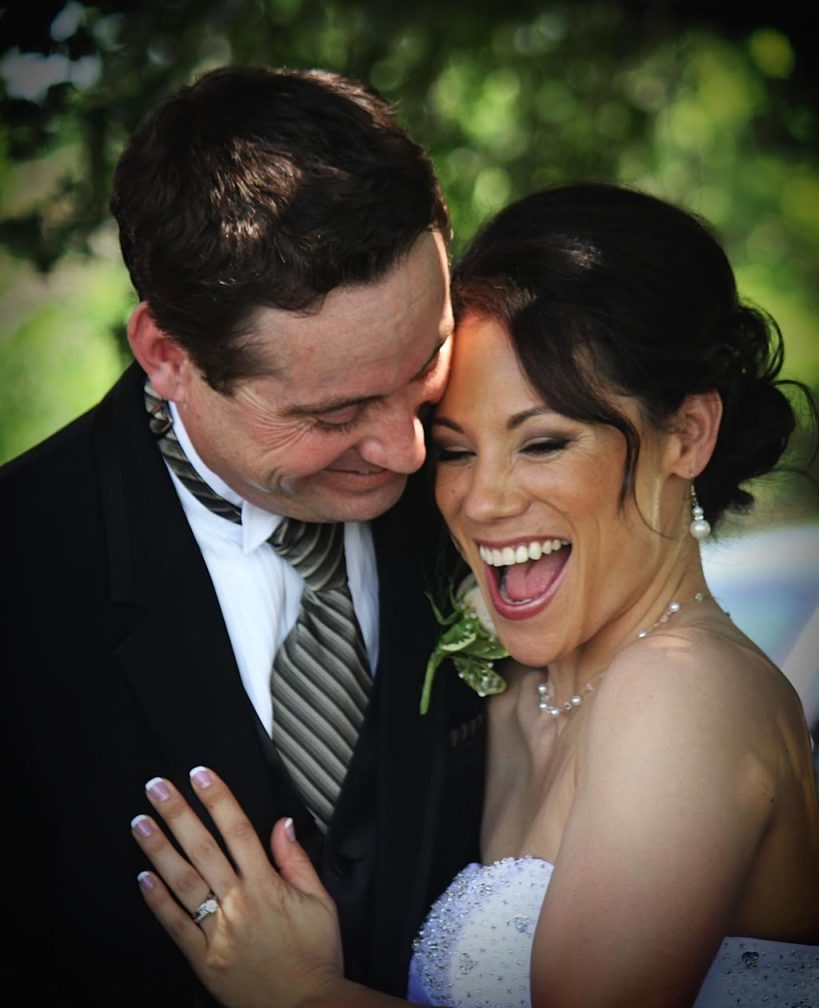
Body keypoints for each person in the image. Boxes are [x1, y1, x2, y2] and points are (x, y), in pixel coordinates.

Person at [127, 183, 819, 1007]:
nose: (482, 500)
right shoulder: (508, 690)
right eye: (455, 452)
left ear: (687, 435)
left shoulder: (686, 690)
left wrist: (296, 992)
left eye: (543, 442)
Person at [1, 66, 486, 1005]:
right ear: (168, 358)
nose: (407, 448)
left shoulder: (496, 484)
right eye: (336, 411)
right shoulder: (25, 570)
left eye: (426, 358)